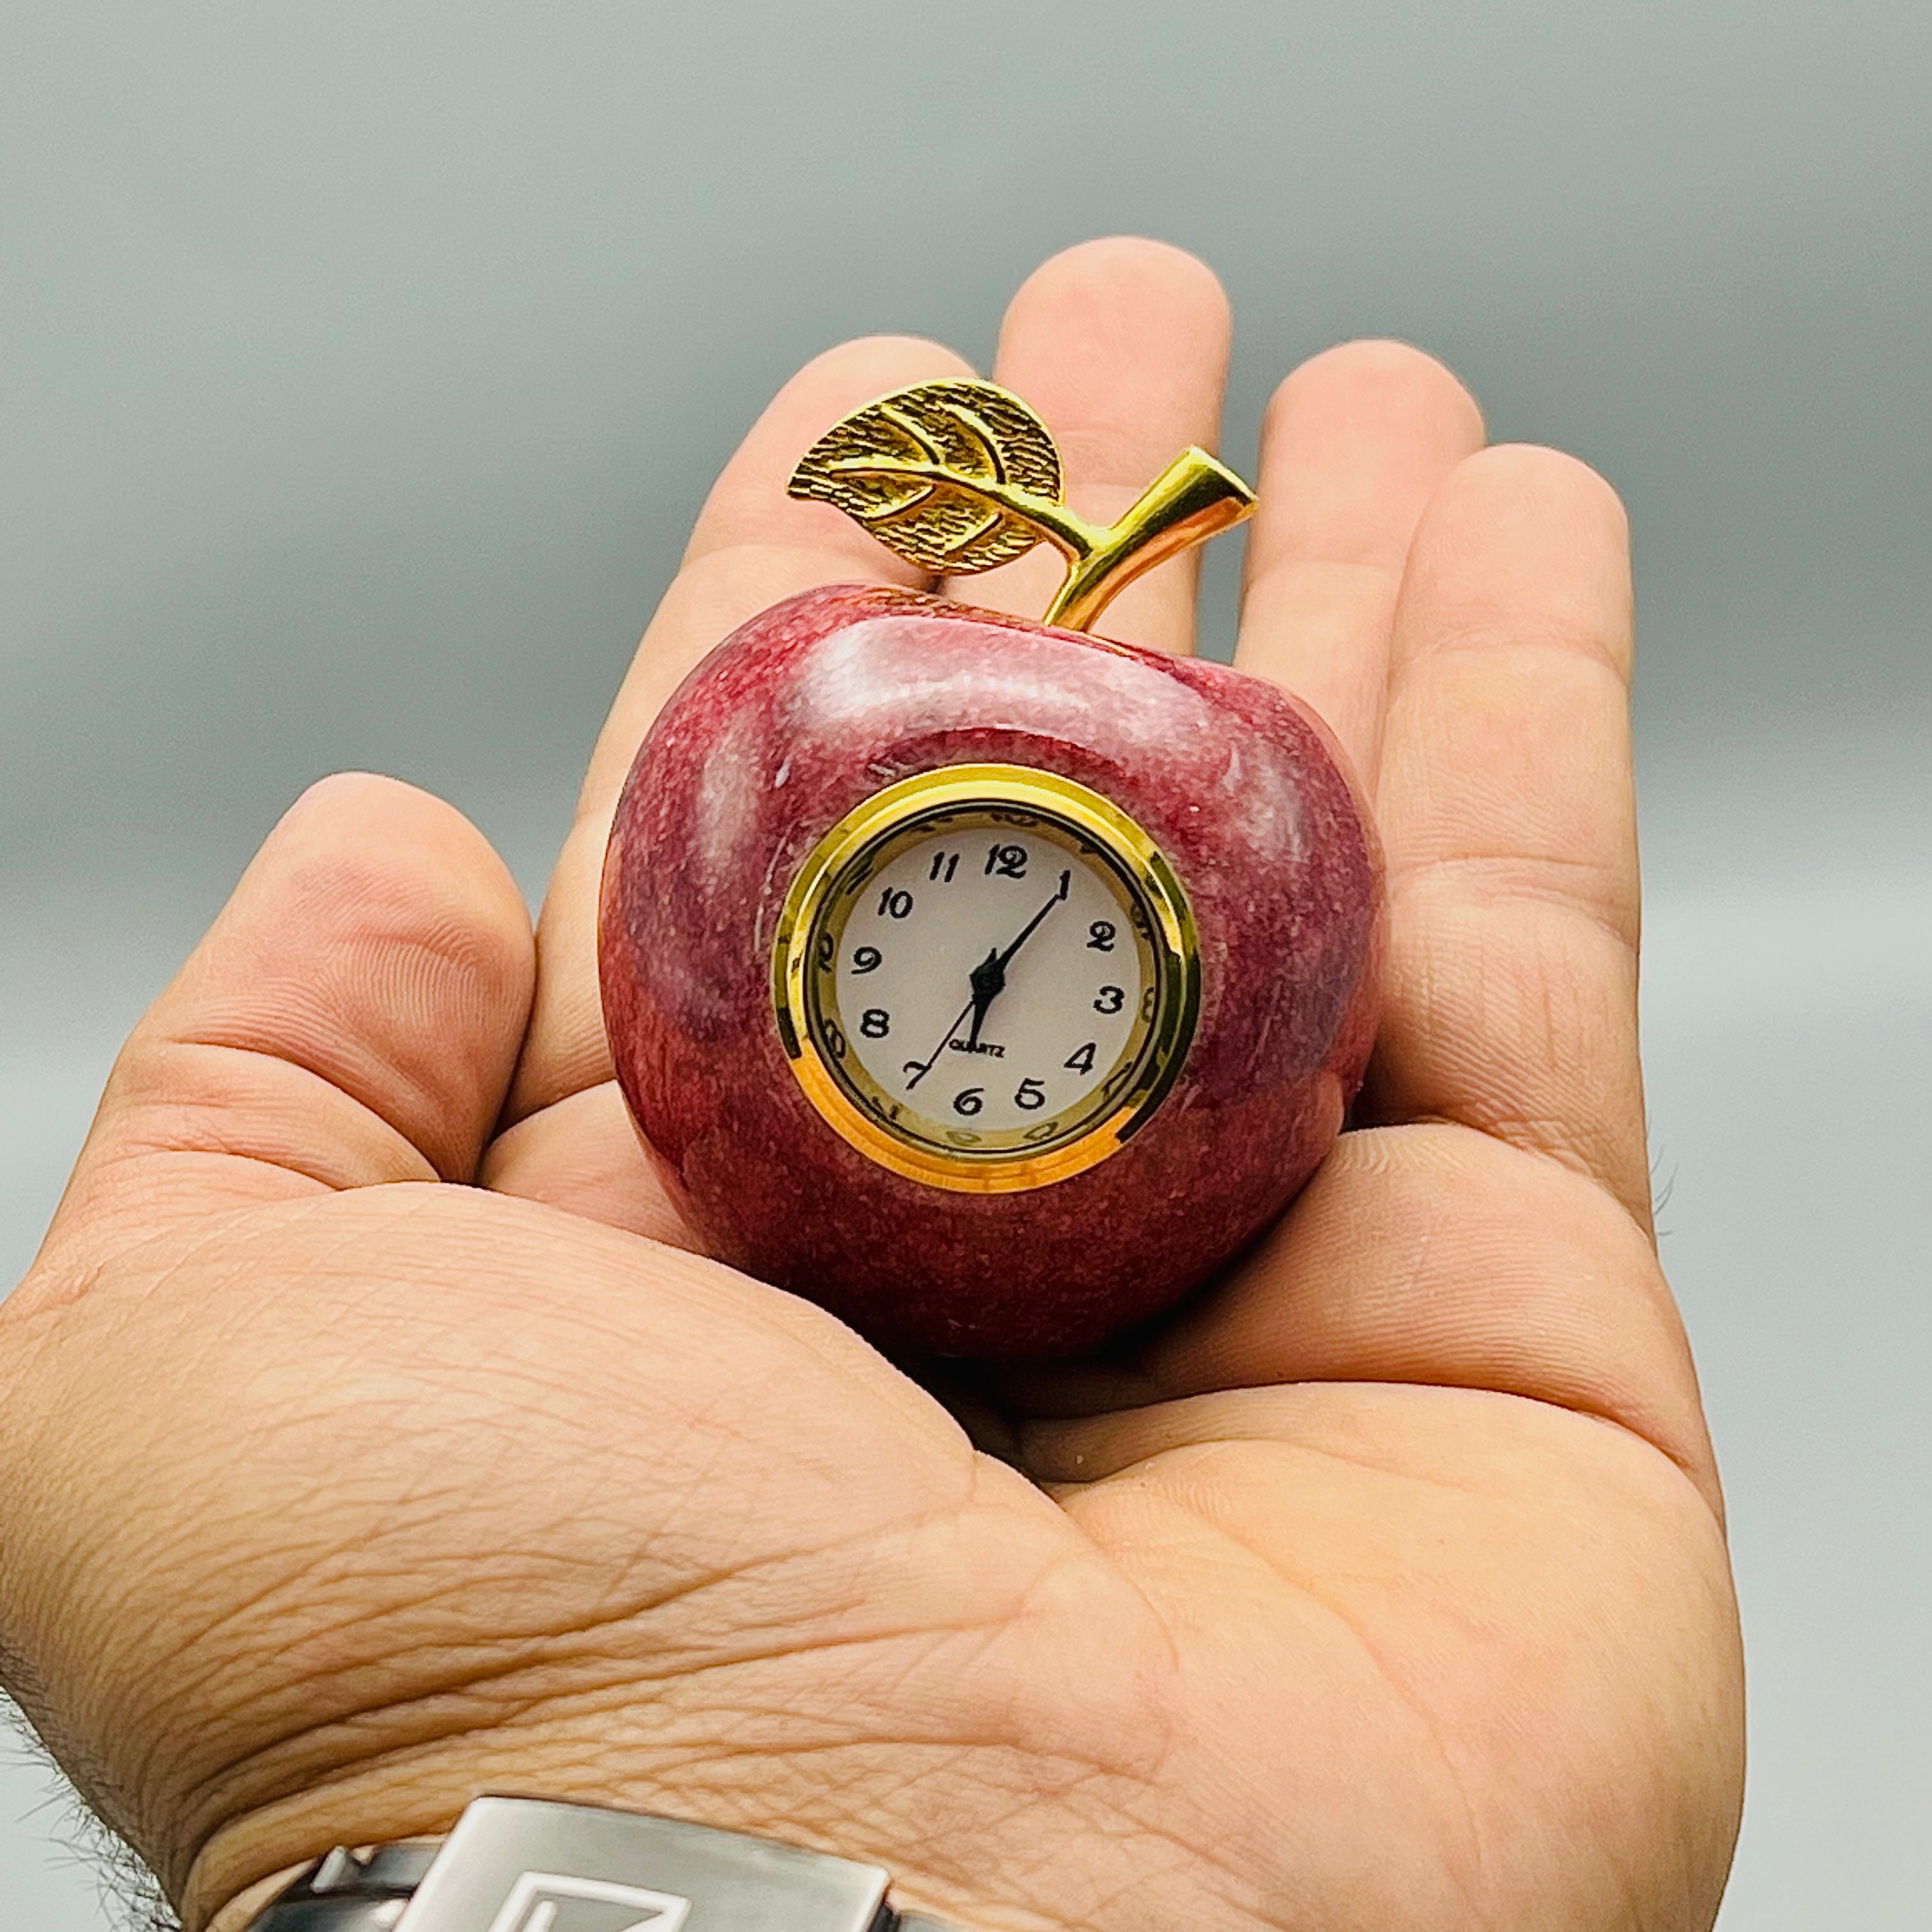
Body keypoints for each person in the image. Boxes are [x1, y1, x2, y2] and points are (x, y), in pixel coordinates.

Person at [0, 238, 1745, 1932]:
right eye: (941, 943)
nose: (981, 995)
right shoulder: (819, 686)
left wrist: (454, 1825)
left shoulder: (1264, 794)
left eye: (1038, 970)